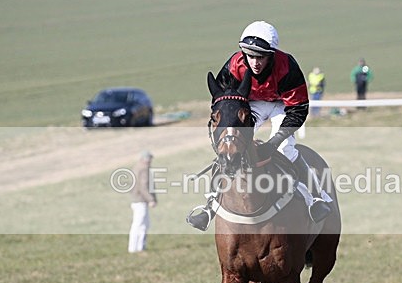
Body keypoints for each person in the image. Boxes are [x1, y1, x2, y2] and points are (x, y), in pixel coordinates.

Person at [186, 21, 332, 231]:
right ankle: (209, 207)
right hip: (251, 105)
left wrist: (275, 141)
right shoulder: (234, 65)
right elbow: (223, 101)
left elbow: (298, 109)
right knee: (229, 146)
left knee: (285, 148)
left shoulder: (287, 67)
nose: (254, 62)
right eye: (250, 56)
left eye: (260, 57)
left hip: (283, 106)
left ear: (271, 55)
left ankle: (315, 199)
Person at [128, 150, 157, 253]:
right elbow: (143, 187)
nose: (150, 161)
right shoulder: (144, 169)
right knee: (140, 225)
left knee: (140, 224)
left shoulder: (136, 168)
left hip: (136, 200)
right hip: (141, 201)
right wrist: (151, 199)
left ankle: (137, 247)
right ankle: (137, 248)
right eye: (148, 159)